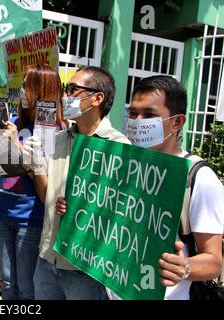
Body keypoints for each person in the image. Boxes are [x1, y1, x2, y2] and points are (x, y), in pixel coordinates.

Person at [112, 75, 223, 299]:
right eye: (133, 113)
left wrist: (185, 267)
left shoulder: (198, 178)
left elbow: (214, 261)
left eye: (150, 115)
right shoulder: (123, 165)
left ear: (177, 122)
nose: (137, 121)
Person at [28, 66, 130, 300]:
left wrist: (83, 207)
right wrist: (36, 163)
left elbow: (121, 211)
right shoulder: (58, 140)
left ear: (97, 98)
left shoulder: (119, 146)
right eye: (66, 89)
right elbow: (45, 196)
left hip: (84, 269)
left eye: (73, 89)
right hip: (47, 258)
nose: (66, 96)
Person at [0, 64, 66, 300]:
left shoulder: (57, 131)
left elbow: (42, 178)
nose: (22, 90)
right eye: (22, 85)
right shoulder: (16, 120)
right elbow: (0, 164)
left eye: (26, 85)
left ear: (41, 90)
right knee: (7, 284)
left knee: (26, 289)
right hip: (3, 211)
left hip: (30, 219)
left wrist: (15, 143)